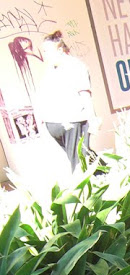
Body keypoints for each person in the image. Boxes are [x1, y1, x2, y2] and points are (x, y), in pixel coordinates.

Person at [37, 31, 97, 171]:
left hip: (72, 121)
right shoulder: (52, 69)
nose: (45, 55)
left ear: (59, 50)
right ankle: (108, 175)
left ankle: (94, 185)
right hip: (56, 122)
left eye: (47, 51)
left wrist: (92, 118)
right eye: (44, 51)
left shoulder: (75, 66)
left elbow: (84, 93)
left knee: (79, 162)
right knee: (83, 156)